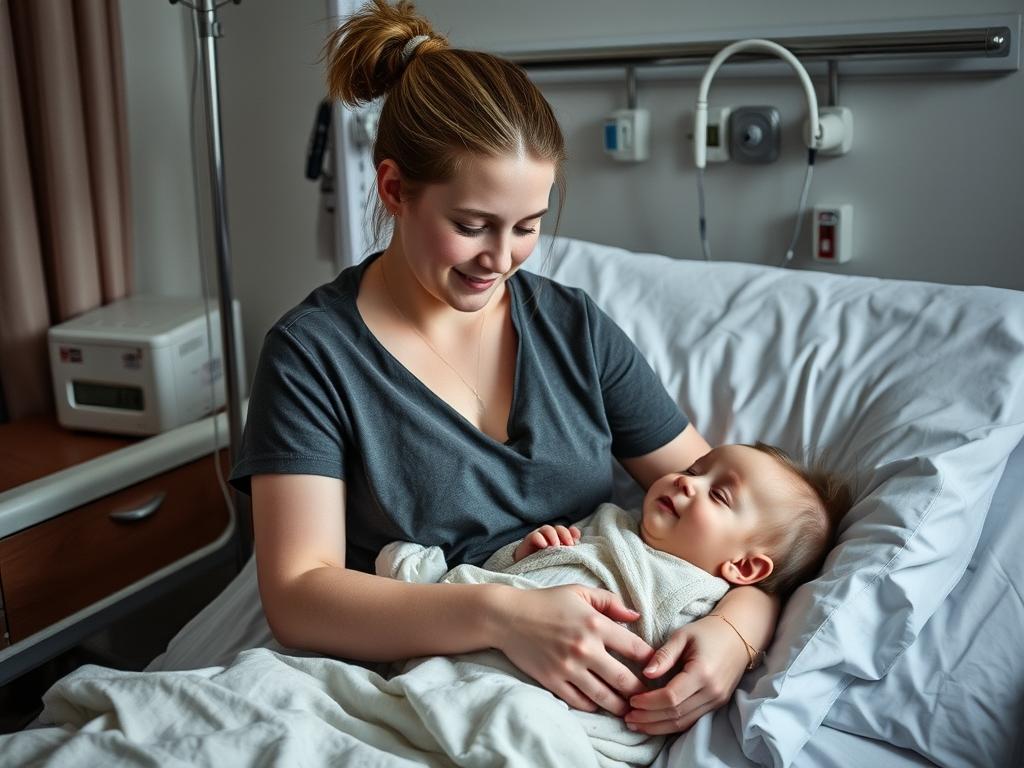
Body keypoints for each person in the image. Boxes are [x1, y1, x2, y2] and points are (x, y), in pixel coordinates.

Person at [230, 0, 779, 736]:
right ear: (394, 189)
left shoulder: (574, 329)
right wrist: (505, 615)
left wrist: (737, 633)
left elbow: (733, 510)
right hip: (426, 687)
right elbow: (298, 597)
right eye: (471, 226)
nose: (501, 259)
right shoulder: (313, 356)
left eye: (527, 226)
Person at [374, 442, 850, 765]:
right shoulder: (612, 520)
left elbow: (650, 678)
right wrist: (528, 553)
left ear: (744, 569)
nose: (687, 482)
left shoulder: (697, 599)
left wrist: (737, 630)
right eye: (692, 470)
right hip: (472, 636)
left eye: (718, 495)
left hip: (542, 700)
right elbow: (518, 579)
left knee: (516, 722)